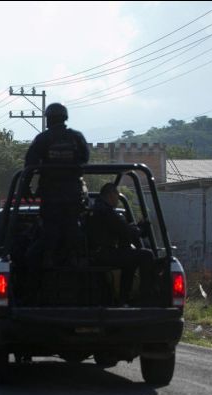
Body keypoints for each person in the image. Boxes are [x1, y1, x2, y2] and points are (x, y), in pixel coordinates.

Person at [24, 103, 90, 267]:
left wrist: (26, 187)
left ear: (49, 119)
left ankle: (49, 259)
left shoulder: (43, 139)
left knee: (50, 229)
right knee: (73, 225)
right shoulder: (76, 137)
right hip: (73, 194)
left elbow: (29, 165)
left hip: (50, 195)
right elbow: (85, 159)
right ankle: (76, 258)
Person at [88, 183, 155, 305]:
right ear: (111, 194)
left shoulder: (98, 208)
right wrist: (140, 228)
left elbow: (121, 229)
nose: (118, 199)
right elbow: (125, 230)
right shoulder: (105, 211)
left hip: (98, 253)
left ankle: (123, 298)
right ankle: (145, 297)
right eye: (117, 195)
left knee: (130, 260)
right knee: (147, 255)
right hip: (104, 254)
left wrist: (135, 229)